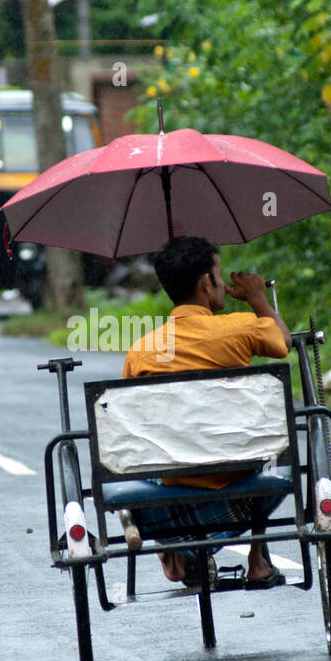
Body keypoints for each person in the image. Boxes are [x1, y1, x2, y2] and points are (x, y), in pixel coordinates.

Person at [123, 236, 293, 589]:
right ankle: (257, 558)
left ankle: (177, 552)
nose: (223, 282)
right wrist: (258, 298)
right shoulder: (241, 328)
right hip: (242, 488)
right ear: (206, 282)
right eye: (218, 273)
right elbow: (282, 342)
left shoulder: (142, 351)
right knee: (273, 448)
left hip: (170, 494)